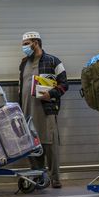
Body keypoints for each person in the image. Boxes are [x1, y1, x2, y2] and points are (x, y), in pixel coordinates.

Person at [19, 31, 68, 188]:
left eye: (26, 44)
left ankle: (55, 178)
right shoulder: (23, 63)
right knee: (32, 145)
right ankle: (38, 176)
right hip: (27, 111)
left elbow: (64, 84)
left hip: (46, 110)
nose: (24, 48)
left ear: (36, 43)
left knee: (49, 144)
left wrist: (51, 94)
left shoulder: (54, 61)